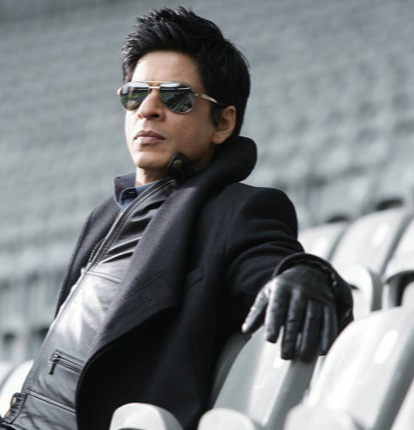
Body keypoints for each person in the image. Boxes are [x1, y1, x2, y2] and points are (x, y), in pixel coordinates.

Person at [0, 6, 353, 430]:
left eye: (176, 97)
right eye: (135, 94)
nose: (148, 109)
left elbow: (272, 262)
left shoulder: (236, 210)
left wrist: (307, 274)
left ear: (223, 122)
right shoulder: (105, 214)